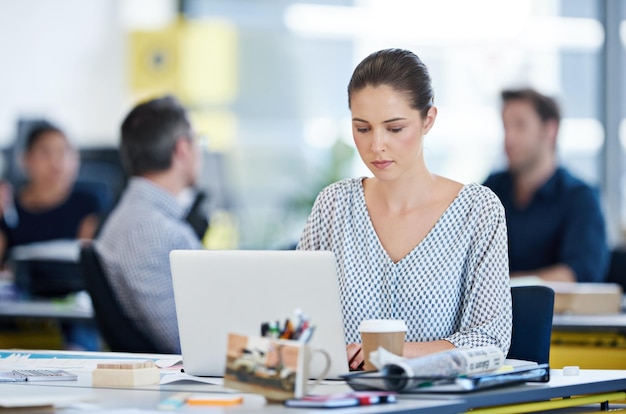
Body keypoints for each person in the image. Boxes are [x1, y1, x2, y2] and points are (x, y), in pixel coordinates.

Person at [297, 48, 512, 370]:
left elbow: (490, 338)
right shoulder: (334, 205)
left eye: (395, 128)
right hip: (343, 399)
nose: (376, 145)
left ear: (428, 120)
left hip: (438, 401)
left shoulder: (477, 211)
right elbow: (294, 319)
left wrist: (390, 353)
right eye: (363, 128)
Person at [97, 95, 204, 354]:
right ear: (182, 149)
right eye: (198, 141)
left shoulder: (140, 217)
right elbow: (189, 342)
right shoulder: (151, 231)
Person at [483, 88, 609, 283]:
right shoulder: (492, 189)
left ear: (550, 130)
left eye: (520, 126)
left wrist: (501, 286)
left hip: (557, 312)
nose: (509, 138)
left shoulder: (580, 198)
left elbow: (579, 273)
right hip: (490, 311)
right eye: (506, 127)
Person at [0, 122, 104, 350]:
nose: (56, 162)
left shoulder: (89, 202)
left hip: (73, 311)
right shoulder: (9, 209)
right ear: (25, 159)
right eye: (45, 153)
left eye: (64, 152)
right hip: (19, 311)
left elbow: (89, 265)